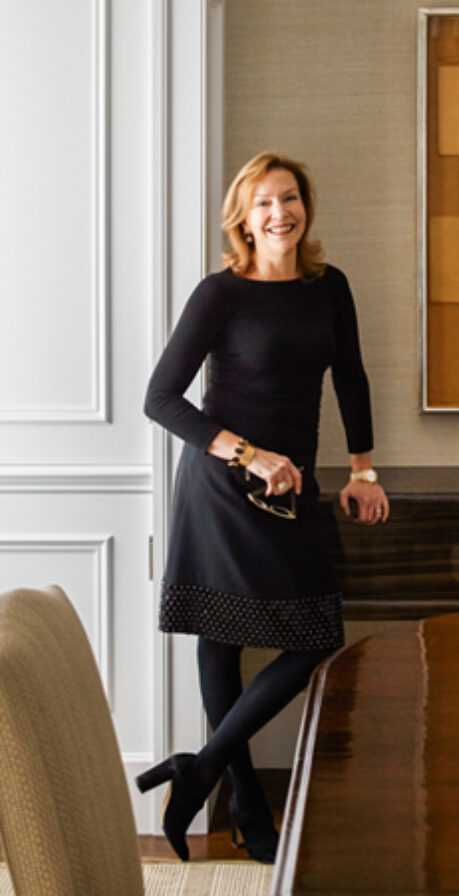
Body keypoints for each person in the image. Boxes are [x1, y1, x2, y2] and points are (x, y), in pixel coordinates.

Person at [136, 151, 388, 863]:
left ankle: (202, 768)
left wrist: (363, 470)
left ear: (305, 207)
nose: (281, 213)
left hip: (293, 490)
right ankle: (247, 807)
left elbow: (352, 378)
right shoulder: (220, 294)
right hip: (223, 487)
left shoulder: (328, 286)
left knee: (312, 637)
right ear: (243, 219)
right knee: (219, 642)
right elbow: (159, 398)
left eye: (291, 198)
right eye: (265, 203)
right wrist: (249, 455)